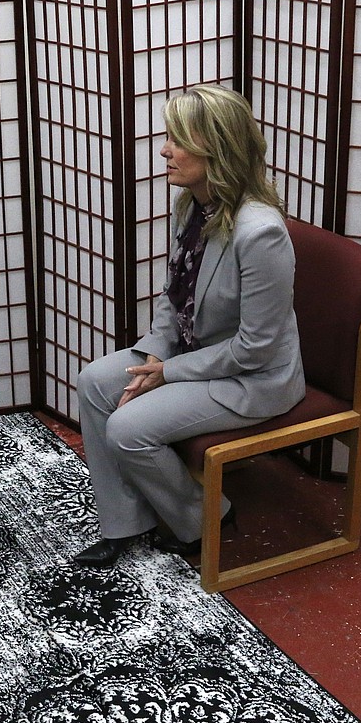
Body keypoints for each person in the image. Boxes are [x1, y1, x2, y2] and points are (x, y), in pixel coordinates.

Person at [73, 85, 305, 568]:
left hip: (249, 378)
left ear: (216, 148)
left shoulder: (260, 232)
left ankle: (206, 517)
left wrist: (168, 373)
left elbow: (256, 349)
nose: (164, 150)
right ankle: (124, 521)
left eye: (178, 140)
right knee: (95, 381)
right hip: (193, 352)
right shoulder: (194, 205)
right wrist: (157, 351)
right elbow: (174, 294)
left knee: (129, 427)